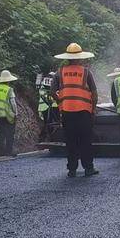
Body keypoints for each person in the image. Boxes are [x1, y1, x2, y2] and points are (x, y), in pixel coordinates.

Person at [51, 43, 99, 177]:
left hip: (67, 112)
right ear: (80, 58)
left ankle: (72, 169)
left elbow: (52, 92)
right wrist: (93, 109)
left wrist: (61, 102)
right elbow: (94, 93)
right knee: (85, 140)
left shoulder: (59, 72)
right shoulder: (86, 72)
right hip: (84, 112)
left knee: (71, 140)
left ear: (67, 58)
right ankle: (88, 168)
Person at [0, 69, 19, 157]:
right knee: (10, 133)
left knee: (1, 132)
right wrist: (16, 113)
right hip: (7, 114)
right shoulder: (9, 89)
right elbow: (13, 103)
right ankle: (8, 151)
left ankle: (0, 151)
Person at [38, 71, 59, 140]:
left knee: (48, 122)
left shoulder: (43, 83)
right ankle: (50, 138)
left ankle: (46, 137)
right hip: (52, 106)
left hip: (45, 107)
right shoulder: (55, 83)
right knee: (53, 122)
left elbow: (42, 93)